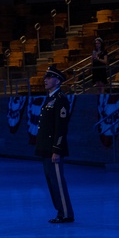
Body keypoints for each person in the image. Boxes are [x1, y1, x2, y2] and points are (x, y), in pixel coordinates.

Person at [36, 66, 74, 224]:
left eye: (49, 77)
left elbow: (61, 127)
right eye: (45, 77)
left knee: (57, 181)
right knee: (51, 182)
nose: (45, 80)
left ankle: (66, 214)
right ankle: (60, 211)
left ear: (57, 80)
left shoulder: (60, 99)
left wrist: (57, 150)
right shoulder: (49, 98)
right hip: (46, 147)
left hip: (54, 149)